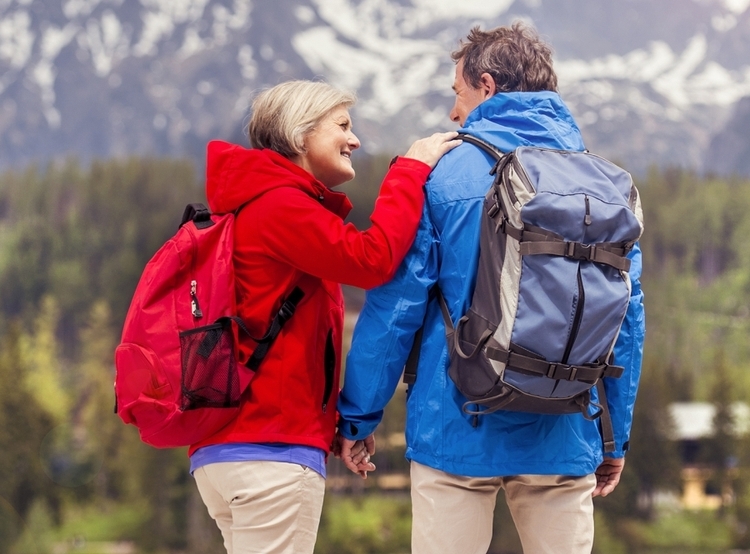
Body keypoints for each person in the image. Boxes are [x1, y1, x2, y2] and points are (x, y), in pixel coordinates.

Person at [335, 22, 645, 554]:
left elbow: (397, 306)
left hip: (456, 424)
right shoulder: (605, 184)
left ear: (486, 85)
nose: (455, 112)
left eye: (458, 94)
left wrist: (359, 416)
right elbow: (627, 322)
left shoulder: (447, 175)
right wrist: (614, 433)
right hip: (566, 426)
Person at [187, 79, 461, 554]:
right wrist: (410, 171)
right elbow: (372, 259)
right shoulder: (281, 206)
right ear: (299, 134)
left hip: (233, 448)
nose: (354, 140)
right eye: (342, 126)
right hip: (270, 452)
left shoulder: (256, 204)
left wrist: (334, 426)